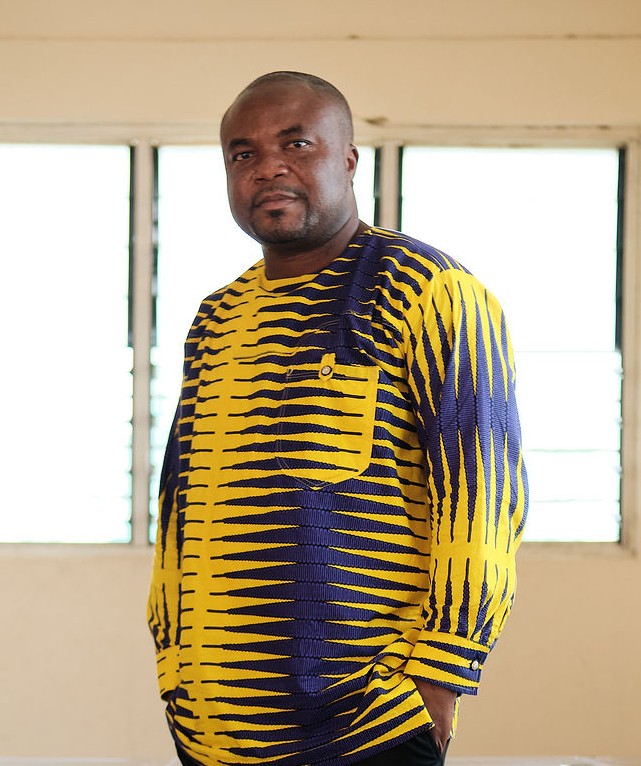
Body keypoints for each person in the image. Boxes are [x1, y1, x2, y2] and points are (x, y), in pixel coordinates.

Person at [148, 71, 528, 766]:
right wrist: (172, 662)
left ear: (348, 159)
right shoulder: (216, 318)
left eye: (296, 144)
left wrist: (442, 674)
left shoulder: (425, 291)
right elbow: (179, 505)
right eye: (243, 153)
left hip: (364, 726)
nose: (268, 168)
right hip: (210, 732)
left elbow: (482, 497)